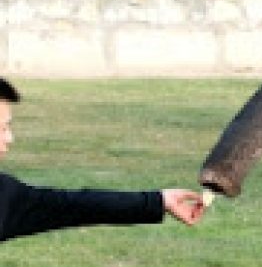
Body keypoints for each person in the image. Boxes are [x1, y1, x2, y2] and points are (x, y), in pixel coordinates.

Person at [0, 77, 205, 240]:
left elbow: (71, 205)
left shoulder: (5, 196)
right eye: (1, 128)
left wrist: (159, 201)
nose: (9, 138)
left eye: (8, 127)